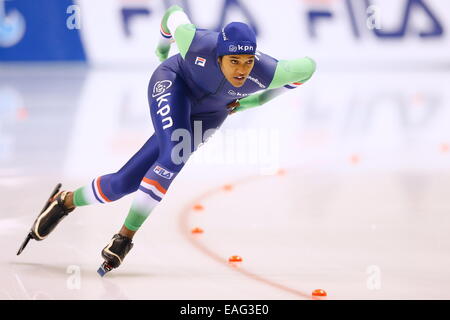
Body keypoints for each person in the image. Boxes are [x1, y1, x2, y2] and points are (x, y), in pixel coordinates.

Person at [19, 5, 316, 274]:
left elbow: (307, 68)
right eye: (233, 61)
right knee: (173, 155)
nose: (241, 70)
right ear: (218, 55)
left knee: (121, 185)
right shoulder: (197, 43)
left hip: (211, 114)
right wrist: (163, 50)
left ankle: (64, 201)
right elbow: (172, 13)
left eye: (248, 62)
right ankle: (125, 238)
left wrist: (257, 102)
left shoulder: (269, 72)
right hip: (174, 83)